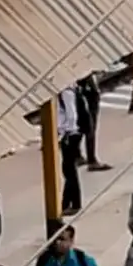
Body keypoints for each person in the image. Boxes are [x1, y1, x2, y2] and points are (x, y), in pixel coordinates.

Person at [56, 84, 83, 217]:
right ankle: (66, 203)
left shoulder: (66, 92)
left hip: (70, 135)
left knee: (69, 170)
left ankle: (74, 203)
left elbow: (71, 115)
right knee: (68, 169)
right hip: (69, 134)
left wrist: (67, 132)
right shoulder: (66, 91)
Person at [75, 74, 111, 172]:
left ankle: (77, 155)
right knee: (90, 127)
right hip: (87, 95)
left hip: (81, 92)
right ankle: (92, 160)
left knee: (80, 126)